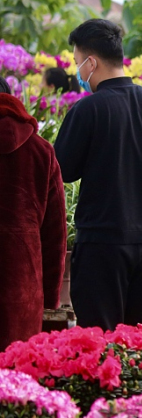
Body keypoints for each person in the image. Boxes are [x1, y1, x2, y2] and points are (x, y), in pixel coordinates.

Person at [53, 19, 142, 330]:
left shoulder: (87, 110)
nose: (78, 71)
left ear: (92, 62)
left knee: (100, 340)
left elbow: (61, 170)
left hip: (102, 244)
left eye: (78, 63)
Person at [0, 77, 67, 349]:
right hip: (20, 293)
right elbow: (55, 238)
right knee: (13, 380)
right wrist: (48, 301)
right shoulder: (41, 151)